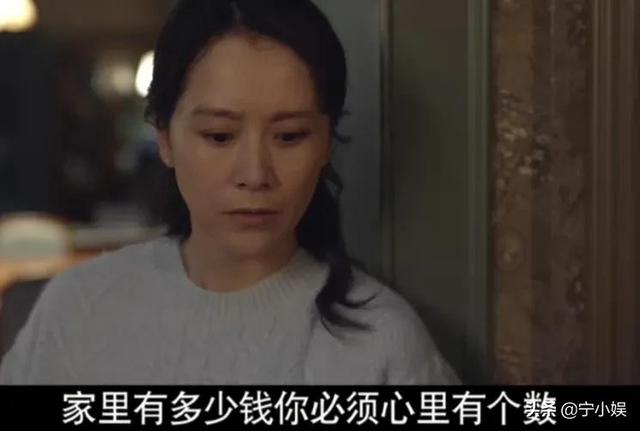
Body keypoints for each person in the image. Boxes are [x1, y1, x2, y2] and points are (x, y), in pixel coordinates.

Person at [0, 0, 459, 385]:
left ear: (325, 143)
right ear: (165, 137)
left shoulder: (382, 343)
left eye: (290, 136)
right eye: (219, 136)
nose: (255, 174)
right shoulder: (79, 308)